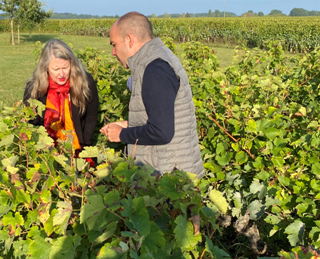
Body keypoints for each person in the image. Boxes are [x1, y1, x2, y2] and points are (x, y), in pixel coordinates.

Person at [100, 11, 205, 177]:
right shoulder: (156, 60)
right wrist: (129, 125)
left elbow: (161, 132)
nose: (113, 52)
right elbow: (163, 118)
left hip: (168, 177)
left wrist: (121, 134)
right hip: (172, 172)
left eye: (114, 44)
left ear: (129, 40)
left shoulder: (155, 69)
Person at [24, 39, 99, 150]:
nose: (62, 74)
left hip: (78, 147)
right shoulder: (34, 87)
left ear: (72, 64)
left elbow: (91, 117)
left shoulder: (85, 81)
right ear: (46, 68)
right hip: (44, 150)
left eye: (65, 67)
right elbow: (31, 123)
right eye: (56, 69)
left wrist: (84, 145)